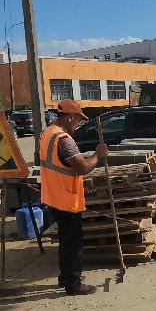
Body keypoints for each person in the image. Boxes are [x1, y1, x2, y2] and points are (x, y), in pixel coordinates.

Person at [39, 100, 109, 296]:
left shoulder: (47, 133)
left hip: (53, 195)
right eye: (78, 120)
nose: (78, 125)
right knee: (73, 243)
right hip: (66, 198)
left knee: (65, 240)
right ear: (70, 117)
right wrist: (98, 154)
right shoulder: (63, 139)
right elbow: (83, 168)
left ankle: (66, 277)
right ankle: (73, 284)